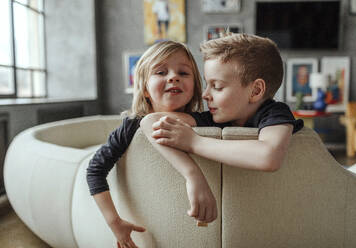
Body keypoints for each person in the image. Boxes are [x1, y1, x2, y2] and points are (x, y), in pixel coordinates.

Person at [86, 40, 217, 248]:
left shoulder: (207, 120)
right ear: (145, 89)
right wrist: (114, 221)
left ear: (195, 87)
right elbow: (95, 169)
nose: (173, 77)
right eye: (161, 72)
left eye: (183, 73)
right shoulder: (131, 125)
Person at [140, 33, 304, 176]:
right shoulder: (215, 117)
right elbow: (151, 120)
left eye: (217, 86)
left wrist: (194, 142)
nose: (205, 94)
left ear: (255, 91)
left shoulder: (276, 113)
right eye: (207, 84)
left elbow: (269, 157)